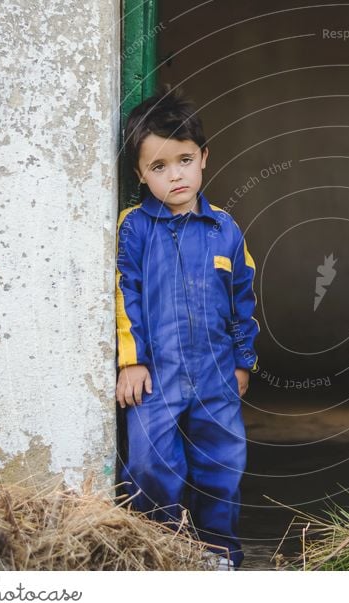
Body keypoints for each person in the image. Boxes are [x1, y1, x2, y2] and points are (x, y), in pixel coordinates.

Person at [115, 89, 259, 570]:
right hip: (156, 374)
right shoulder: (134, 228)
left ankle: (220, 553)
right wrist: (131, 361)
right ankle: (159, 549)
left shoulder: (225, 230)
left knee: (223, 463)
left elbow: (243, 300)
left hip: (216, 373)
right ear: (140, 174)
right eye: (158, 167)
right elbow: (124, 292)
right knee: (152, 464)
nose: (174, 175)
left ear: (203, 158)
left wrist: (243, 361)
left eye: (184, 160)